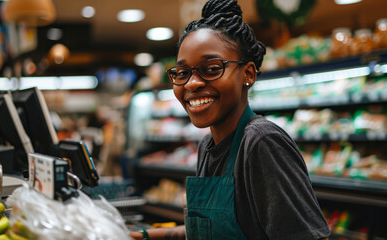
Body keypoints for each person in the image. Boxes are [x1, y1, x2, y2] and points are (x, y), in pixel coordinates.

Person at [131, 0, 330, 239]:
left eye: (212, 68)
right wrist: (141, 236)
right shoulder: (208, 145)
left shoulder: (261, 142)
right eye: (182, 73)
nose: (192, 83)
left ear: (248, 74)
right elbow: (208, 231)